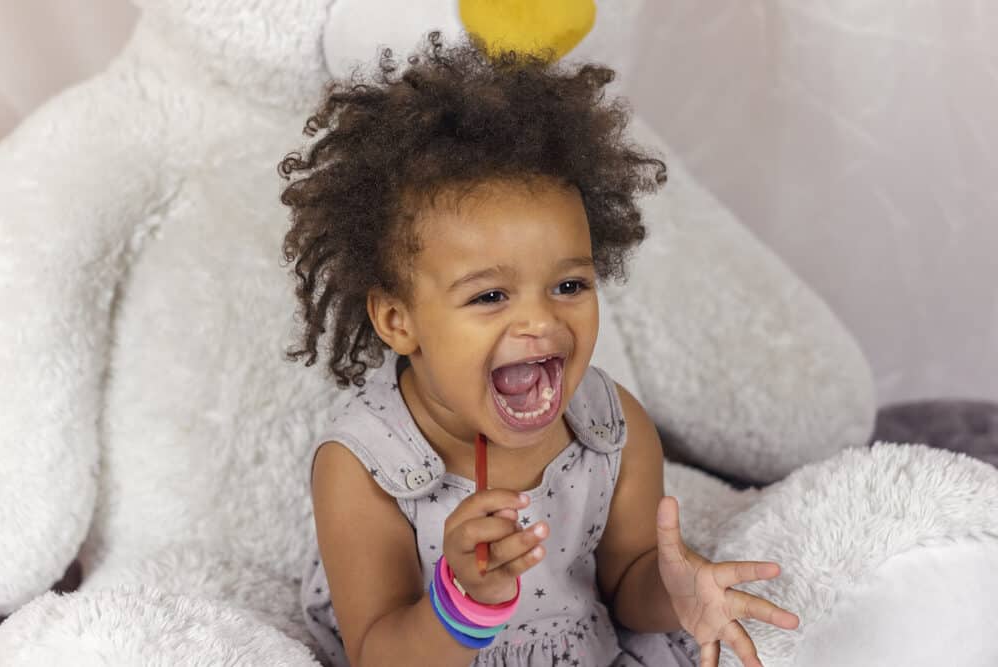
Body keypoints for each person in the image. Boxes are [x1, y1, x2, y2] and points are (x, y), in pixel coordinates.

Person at [280, 33, 800, 667]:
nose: (540, 320)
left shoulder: (612, 429)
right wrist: (461, 602)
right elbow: (378, 653)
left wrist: (677, 589)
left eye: (568, 285)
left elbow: (627, 582)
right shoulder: (363, 468)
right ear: (398, 320)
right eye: (490, 295)